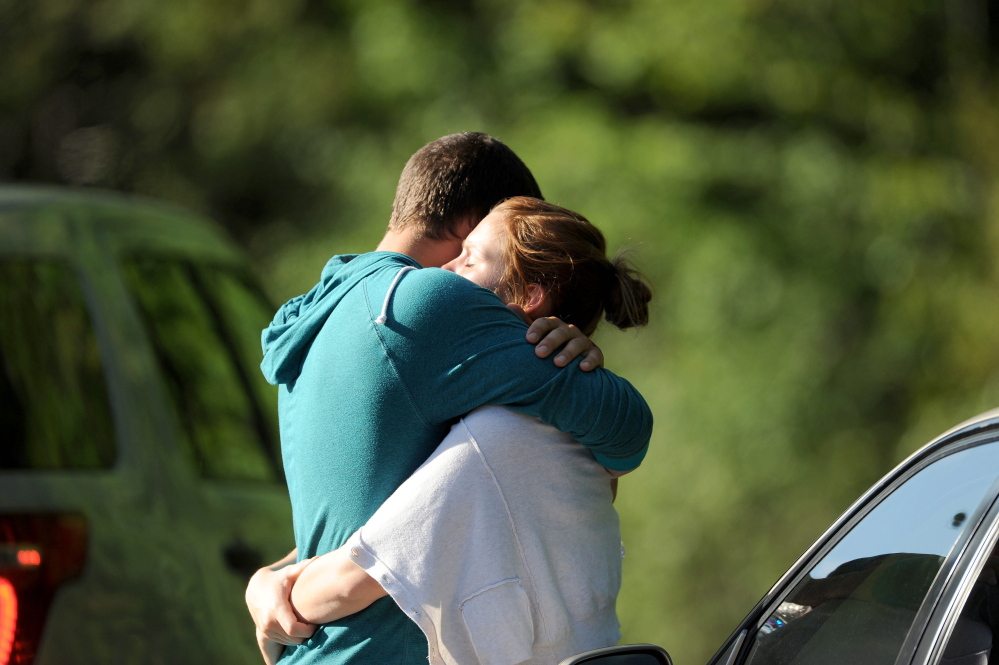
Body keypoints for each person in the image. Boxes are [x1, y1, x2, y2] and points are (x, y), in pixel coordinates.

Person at [246, 133, 654, 665]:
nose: (452, 269)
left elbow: (390, 502)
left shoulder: (320, 317)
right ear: (471, 220)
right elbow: (625, 431)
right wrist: (578, 362)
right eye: (469, 248)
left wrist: (270, 577)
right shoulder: (424, 301)